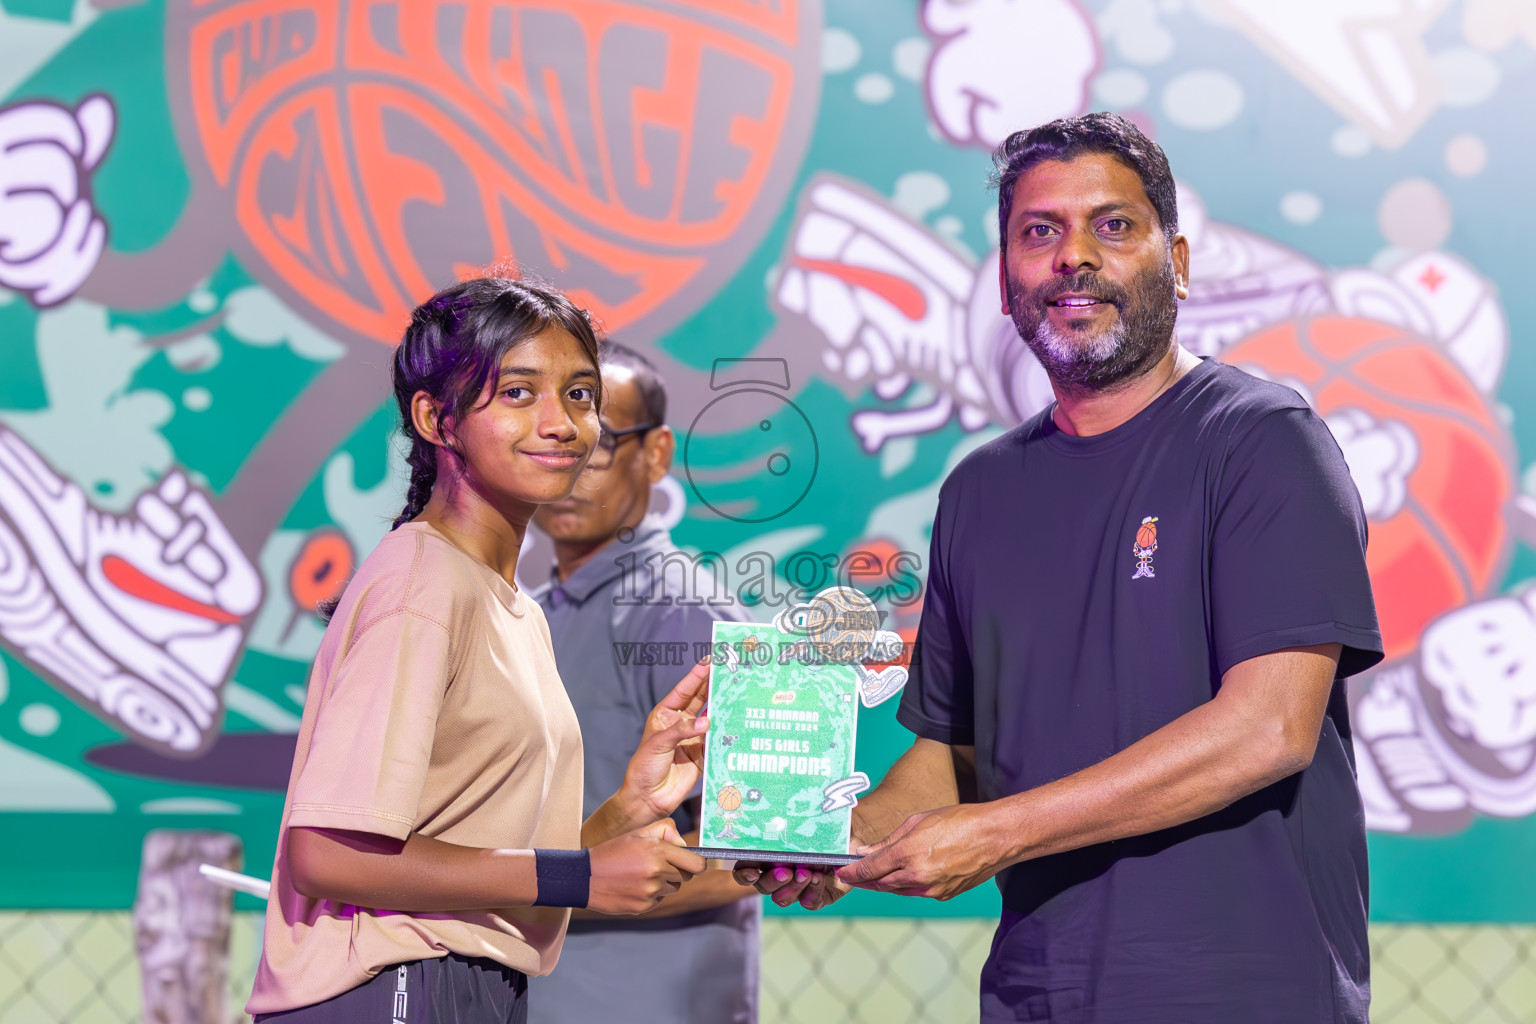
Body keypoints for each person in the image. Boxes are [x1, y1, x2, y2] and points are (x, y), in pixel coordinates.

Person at [741, 112, 1384, 1023]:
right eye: (1039, 233)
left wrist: (997, 833)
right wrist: (829, 842)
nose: (1073, 256)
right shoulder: (979, 492)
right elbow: (951, 760)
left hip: (1245, 991)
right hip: (1038, 994)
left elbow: (1268, 729)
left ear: (1181, 262)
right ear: (1006, 285)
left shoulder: (1261, 440)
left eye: (1113, 226)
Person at [246, 278, 711, 1023]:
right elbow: (327, 855)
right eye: (519, 393)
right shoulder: (423, 583)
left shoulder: (509, 602)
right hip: (395, 985)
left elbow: (493, 867)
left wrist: (627, 811)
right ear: (437, 418)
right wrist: (583, 879)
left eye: (581, 395)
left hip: (461, 985)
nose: (562, 423)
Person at [528, 341, 761, 1024]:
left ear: (656, 454)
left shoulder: (685, 610)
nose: (568, 469)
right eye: (551, 441)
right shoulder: (528, 614)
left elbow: (760, 844)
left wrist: (564, 886)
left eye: (596, 446)